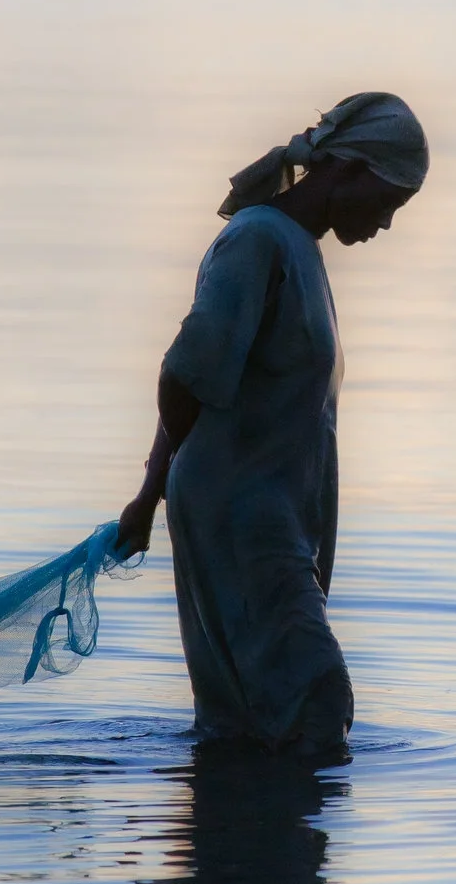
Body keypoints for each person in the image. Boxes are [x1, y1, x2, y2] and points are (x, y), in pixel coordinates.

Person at [117, 92, 428, 759]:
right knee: (317, 699)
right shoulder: (257, 242)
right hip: (240, 517)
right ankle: (262, 850)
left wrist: (156, 494)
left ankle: (235, 846)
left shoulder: (299, 253)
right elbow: (186, 375)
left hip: (264, 516)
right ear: (348, 170)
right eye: (390, 202)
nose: (387, 223)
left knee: (252, 719)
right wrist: (153, 492)